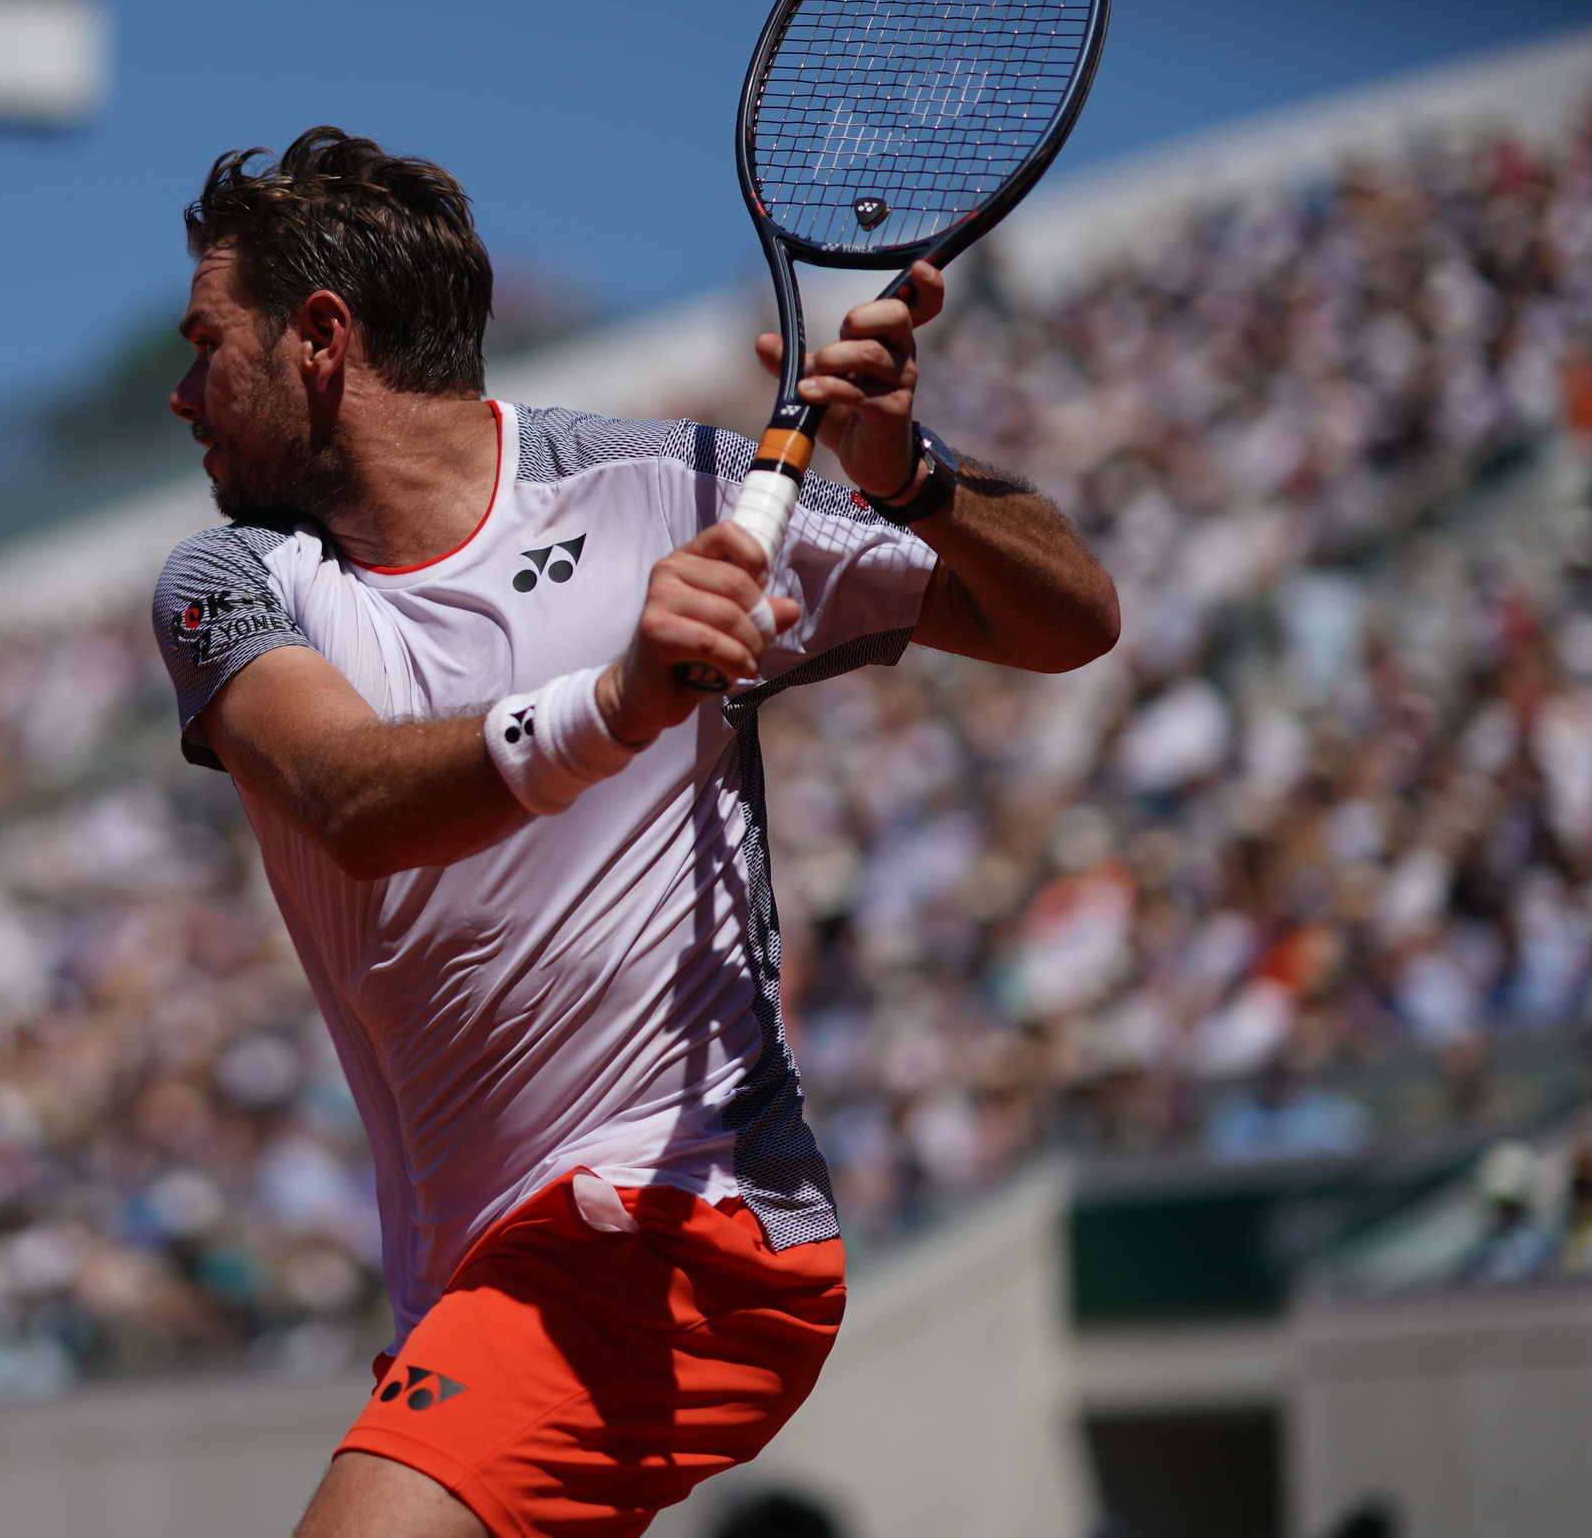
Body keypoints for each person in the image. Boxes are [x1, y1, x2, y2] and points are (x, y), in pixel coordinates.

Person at [149, 129, 1117, 1538]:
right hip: (471, 1269)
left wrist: (914, 477)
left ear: (320, 338)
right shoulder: (229, 582)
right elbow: (350, 798)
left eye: (204, 346)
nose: (182, 396)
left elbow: (1068, 620)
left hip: (685, 1220)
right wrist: (616, 700)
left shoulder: (673, 490)